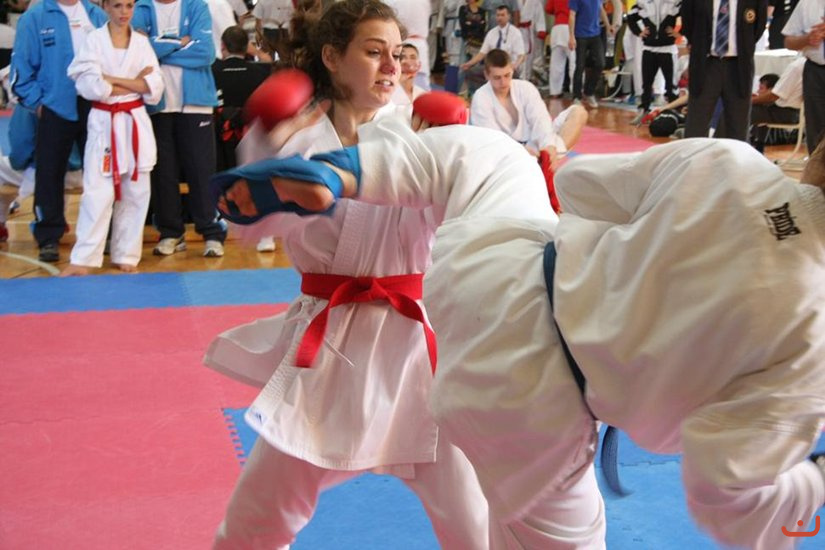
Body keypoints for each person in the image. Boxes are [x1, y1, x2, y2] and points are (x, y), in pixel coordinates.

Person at [217, 114, 825, 550]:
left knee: (489, 158)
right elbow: (722, 491)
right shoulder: (812, 344)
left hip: (494, 278)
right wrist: (811, 480)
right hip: (539, 417)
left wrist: (643, 259)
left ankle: (345, 173)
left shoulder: (730, 163)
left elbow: (583, 189)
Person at [204, 1, 490, 548]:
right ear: (333, 58)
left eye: (399, 53)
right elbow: (249, 223)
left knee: (473, 518)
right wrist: (264, 143)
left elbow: (469, 214)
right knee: (258, 519)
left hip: (415, 351)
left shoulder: (422, 132)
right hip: (328, 348)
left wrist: (474, 154)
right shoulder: (294, 138)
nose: (392, 66)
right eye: (374, 52)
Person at [59, 0, 164, 276]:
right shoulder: (93, 40)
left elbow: (154, 87)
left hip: (134, 122)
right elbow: (90, 85)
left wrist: (112, 79)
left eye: (129, 6)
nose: (124, 12)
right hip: (105, 122)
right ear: (105, 7)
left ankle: (126, 254)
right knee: (97, 192)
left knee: (136, 191)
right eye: (117, 6)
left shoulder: (141, 43)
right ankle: (84, 258)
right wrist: (133, 83)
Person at [10, 0, 108, 262]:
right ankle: (48, 236)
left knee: (100, 172)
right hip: (55, 105)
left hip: (94, 105)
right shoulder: (35, 17)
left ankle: (101, 234)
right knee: (49, 172)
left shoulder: (96, 15)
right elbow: (21, 67)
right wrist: (38, 103)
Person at [132, 0, 228, 258]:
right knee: (163, 173)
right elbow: (138, 52)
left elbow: (205, 52)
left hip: (195, 103)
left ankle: (211, 232)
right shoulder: (141, 8)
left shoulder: (196, 6)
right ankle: (171, 233)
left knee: (201, 171)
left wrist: (158, 47)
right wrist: (180, 42)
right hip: (158, 105)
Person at [470, 48, 587, 169]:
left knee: (579, 112)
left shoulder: (525, 88)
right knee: (491, 151)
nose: (503, 82)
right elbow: (491, 137)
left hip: (534, 145)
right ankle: (541, 163)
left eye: (507, 75)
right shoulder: (481, 97)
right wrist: (520, 151)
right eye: (497, 78)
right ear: (487, 75)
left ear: (512, 69)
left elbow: (540, 119)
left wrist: (548, 146)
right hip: (506, 154)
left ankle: (546, 159)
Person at [680, 0, 768, 140]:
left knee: (738, 125)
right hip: (706, 62)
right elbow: (687, 23)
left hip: (738, 65)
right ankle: (695, 154)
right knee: (697, 123)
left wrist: (743, 46)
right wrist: (699, 45)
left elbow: (758, 27)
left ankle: (736, 155)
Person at [212, 25, 271, 172]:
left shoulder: (212, 71)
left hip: (219, 144)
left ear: (222, 45)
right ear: (246, 47)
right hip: (253, 142)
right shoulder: (261, 72)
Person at [626, 0, 682, 124]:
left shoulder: (675, 2)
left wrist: (680, 33)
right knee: (646, 84)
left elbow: (689, 15)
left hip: (668, 49)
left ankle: (674, 112)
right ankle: (644, 110)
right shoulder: (643, 2)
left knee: (671, 85)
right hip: (648, 49)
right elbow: (630, 16)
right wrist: (639, 32)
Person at [782, 0, 825, 156]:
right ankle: (816, 170)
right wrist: (807, 39)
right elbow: (788, 41)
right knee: (816, 129)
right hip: (815, 71)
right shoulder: (807, 3)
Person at [749, 57, 804, 153]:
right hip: (796, 112)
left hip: (786, 112)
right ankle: (758, 147)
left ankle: (731, 146)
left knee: (742, 111)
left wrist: (749, 101)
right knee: (759, 108)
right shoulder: (808, 65)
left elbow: (774, 95)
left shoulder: (797, 66)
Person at [568, 0, 614, 108]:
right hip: (580, 35)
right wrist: (571, 36)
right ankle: (576, 96)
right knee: (580, 66)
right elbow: (572, 15)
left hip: (595, 34)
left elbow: (601, 9)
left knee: (601, 63)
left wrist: (608, 26)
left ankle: (589, 92)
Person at [461, 5, 526, 77]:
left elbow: (522, 55)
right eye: (498, 15)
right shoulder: (491, 33)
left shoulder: (515, 33)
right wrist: (469, 64)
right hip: (493, 67)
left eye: (502, 15)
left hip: (508, 67)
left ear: (509, 16)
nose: (500, 18)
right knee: (469, 72)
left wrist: (515, 66)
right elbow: (482, 53)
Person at [546, 0, 575, 98]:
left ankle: (555, 91)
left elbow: (548, 8)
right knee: (574, 61)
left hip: (557, 28)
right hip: (571, 28)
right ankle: (575, 90)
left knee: (556, 63)